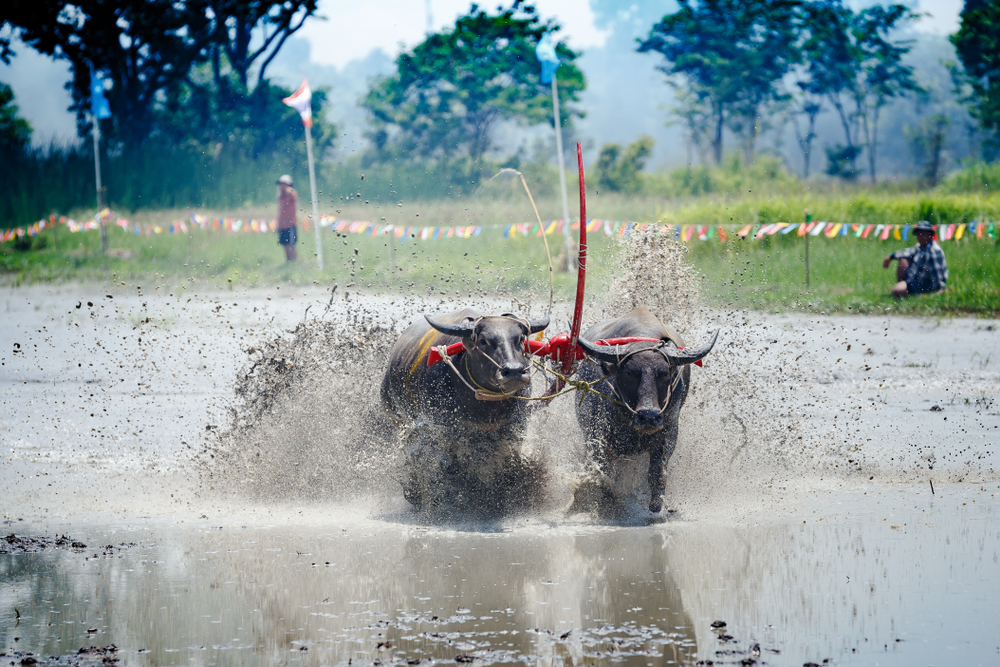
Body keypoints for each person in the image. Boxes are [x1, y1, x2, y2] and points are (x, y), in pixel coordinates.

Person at [882, 220, 948, 297]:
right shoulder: (920, 247)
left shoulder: (933, 251)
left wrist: (940, 288)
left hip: (926, 283)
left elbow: (938, 274)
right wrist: (891, 257)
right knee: (903, 260)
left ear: (929, 235)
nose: (920, 237)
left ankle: (903, 290)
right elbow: (907, 252)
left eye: (923, 234)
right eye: (918, 234)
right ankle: (904, 287)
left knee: (897, 290)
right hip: (916, 277)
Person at [276, 174, 298, 262]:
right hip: (282, 225)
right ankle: (288, 261)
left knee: (291, 245)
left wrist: (288, 189)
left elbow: (293, 194)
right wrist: (278, 225)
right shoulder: (281, 197)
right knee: (285, 245)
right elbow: (280, 213)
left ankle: (294, 261)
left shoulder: (291, 193)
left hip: (290, 224)